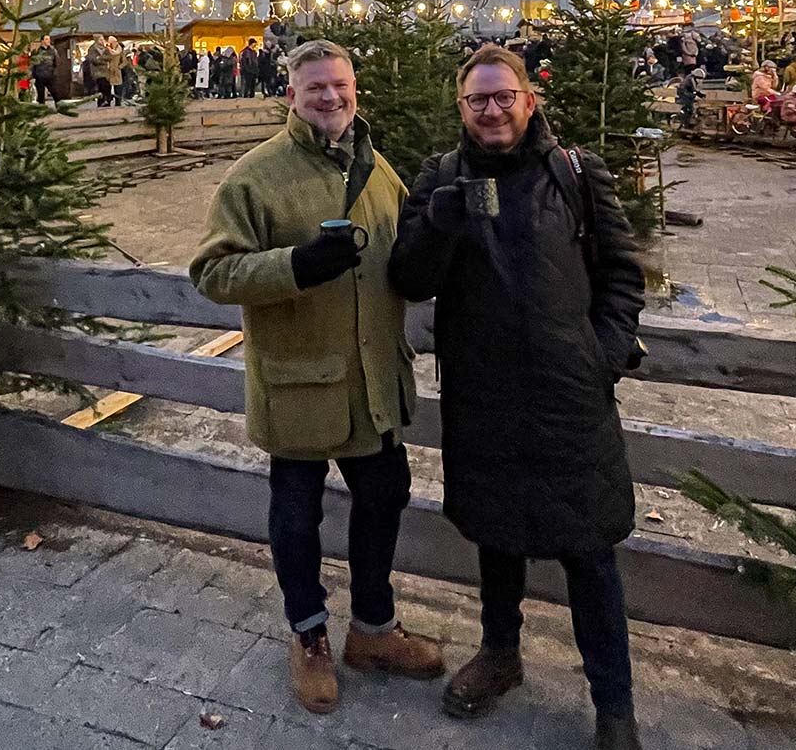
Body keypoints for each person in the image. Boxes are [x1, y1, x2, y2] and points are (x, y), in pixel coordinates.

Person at [390, 45, 645, 750]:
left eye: (505, 96)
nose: (493, 109)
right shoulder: (440, 177)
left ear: (529, 100)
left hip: (570, 394)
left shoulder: (574, 173)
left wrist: (604, 352)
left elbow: (623, 271)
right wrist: (438, 224)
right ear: (462, 108)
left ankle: (614, 703)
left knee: (590, 550)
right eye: (479, 100)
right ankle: (500, 652)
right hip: (486, 393)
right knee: (497, 535)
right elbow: (408, 276)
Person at [189, 40, 442, 714]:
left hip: (372, 378)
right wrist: (297, 265)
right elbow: (212, 272)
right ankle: (308, 634)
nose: (331, 97)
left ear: (355, 89)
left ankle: (374, 628)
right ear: (291, 96)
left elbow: (404, 258)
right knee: (297, 514)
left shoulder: (376, 167)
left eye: (340, 85)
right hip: (300, 380)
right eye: (315, 88)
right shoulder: (255, 177)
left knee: (386, 494)